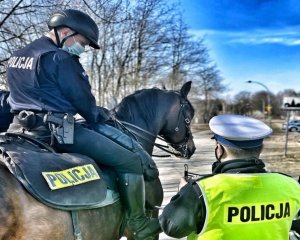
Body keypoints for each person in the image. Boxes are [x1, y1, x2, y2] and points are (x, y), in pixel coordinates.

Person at [6, 9, 161, 240]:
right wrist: (96, 115)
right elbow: (83, 101)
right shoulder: (60, 58)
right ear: (65, 32)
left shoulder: (17, 56)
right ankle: (138, 223)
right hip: (56, 132)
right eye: (82, 42)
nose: (83, 48)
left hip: (19, 129)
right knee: (129, 161)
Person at [159, 114, 300, 240]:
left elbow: (172, 227)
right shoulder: (291, 185)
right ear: (261, 149)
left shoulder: (201, 191)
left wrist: (185, 193)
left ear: (219, 149)